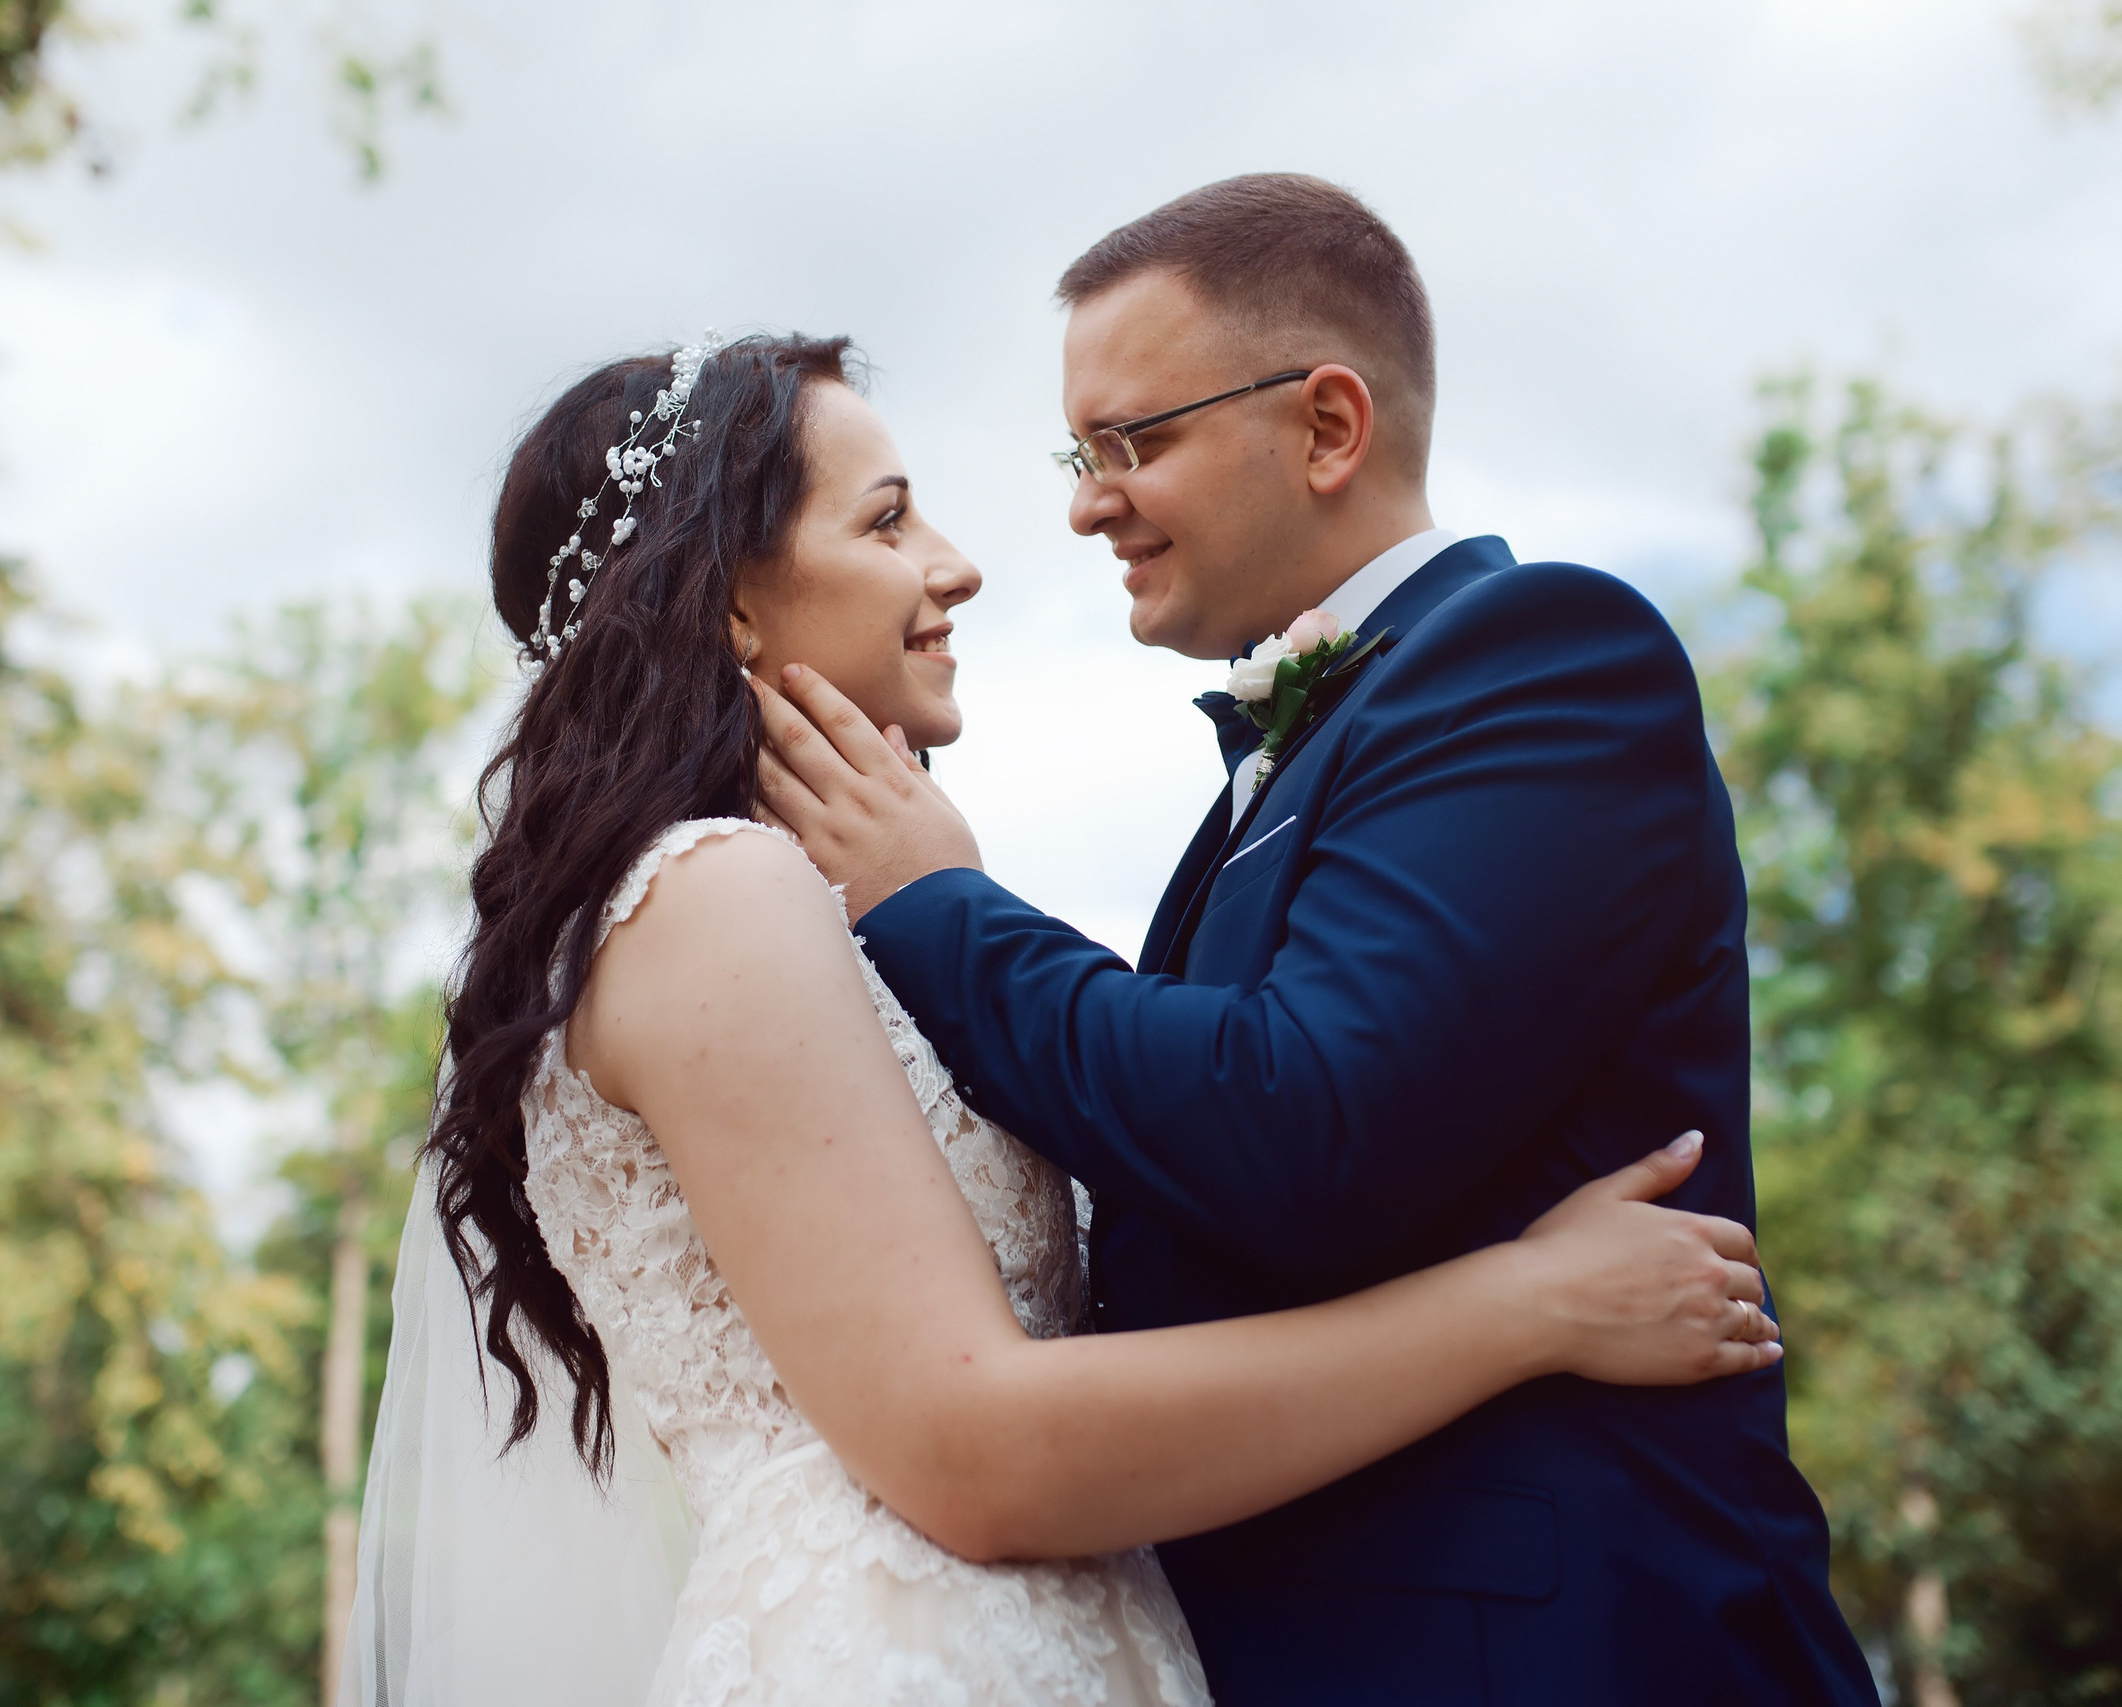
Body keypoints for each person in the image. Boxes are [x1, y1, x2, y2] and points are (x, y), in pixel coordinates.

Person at [345, 330, 1785, 1707]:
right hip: (908, 1657)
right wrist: (1528, 1305)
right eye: (890, 521)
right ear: (729, 600)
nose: (957, 566)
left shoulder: (797, 910)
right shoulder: (719, 899)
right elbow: (973, 1444)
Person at [754, 177, 1881, 1705]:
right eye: (1079, 455)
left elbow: (1306, 1122)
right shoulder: (1272, 773)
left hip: (1536, 1655)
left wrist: (936, 908)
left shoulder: (1547, 661)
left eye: (1132, 443)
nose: (1087, 503)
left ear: (1330, 427)